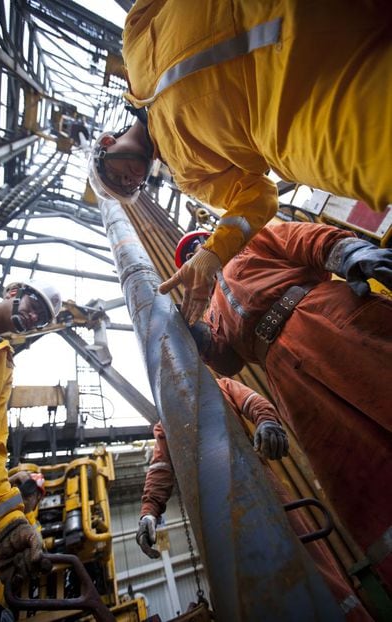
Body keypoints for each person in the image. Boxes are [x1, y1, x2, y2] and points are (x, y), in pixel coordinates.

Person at [89, 0, 392, 324]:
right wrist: (212, 252)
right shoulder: (190, 177)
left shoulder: (135, 45)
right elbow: (258, 197)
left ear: (108, 144)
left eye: (118, 176)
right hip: (317, 114)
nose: (131, 180)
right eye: (129, 187)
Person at [173, 221, 392, 592]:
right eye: (190, 258)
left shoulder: (250, 242)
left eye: (200, 247)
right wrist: (190, 331)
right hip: (283, 374)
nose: (198, 256)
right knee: (351, 463)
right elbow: (227, 361)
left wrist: (353, 254)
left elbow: (305, 239)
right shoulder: (211, 312)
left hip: (320, 315)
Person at [136, 376, 373, 621]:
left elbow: (253, 402)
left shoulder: (220, 386)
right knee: (250, 583)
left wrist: (267, 422)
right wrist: (149, 512)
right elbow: (160, 468)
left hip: (258, 483)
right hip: (214, 510)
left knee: (310, 561)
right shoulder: (166, 424)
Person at [0, 279, 61, 598]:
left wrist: (8, 520)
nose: (35, 318)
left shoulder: (3, 367)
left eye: (42, 318)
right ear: (14, 293)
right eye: (34, 306)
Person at [0, 471, 46, 620]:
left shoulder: (33, 529)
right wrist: (8, 483)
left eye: (30, 494)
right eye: (22, 492)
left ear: (39, 497)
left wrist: (20, 510)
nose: (25, 498)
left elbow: (35, 546)